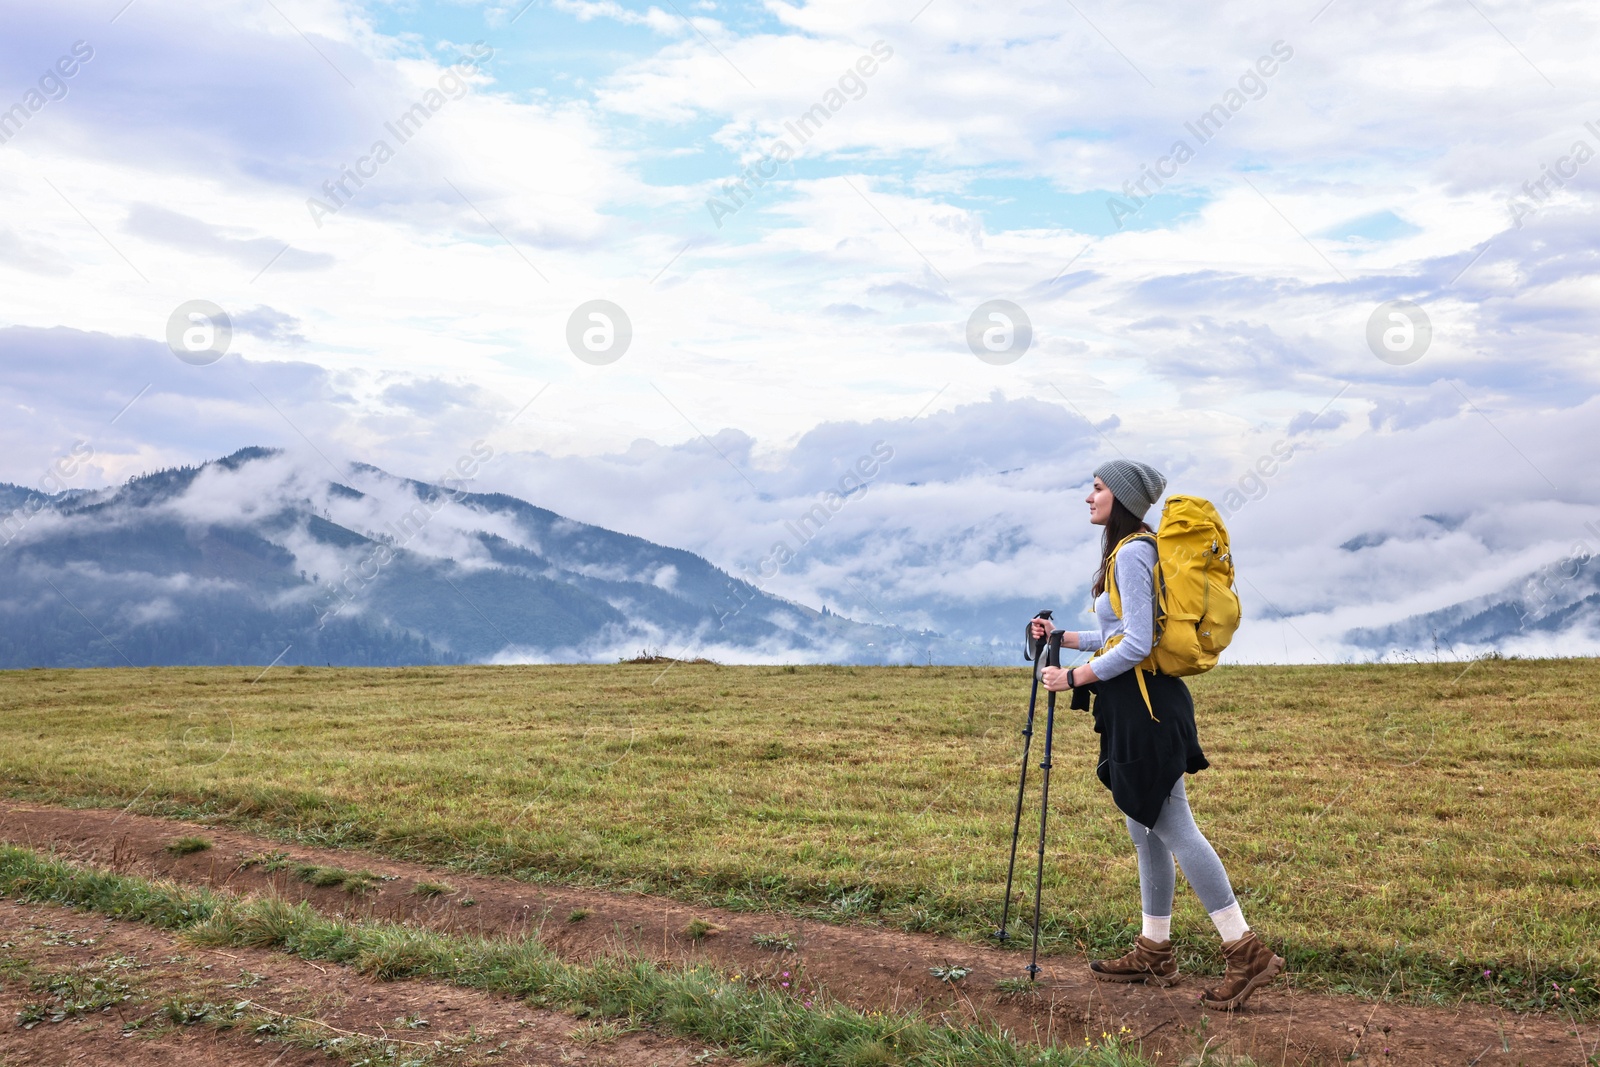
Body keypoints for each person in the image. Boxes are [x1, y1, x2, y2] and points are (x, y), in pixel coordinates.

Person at [1028, 458, 1283, 1010]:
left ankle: (1246, 951)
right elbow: (1119, 630)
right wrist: (1064, 637)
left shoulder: (1135, 553)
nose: (1088, 497)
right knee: (1145, 827)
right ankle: (1155, 948)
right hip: (1141, 705)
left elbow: (1138, 644)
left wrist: (1072, 677)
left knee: (1172, 826)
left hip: (1146, 711)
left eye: (1095, 489)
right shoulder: (1132, 551)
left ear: (1117, 497)